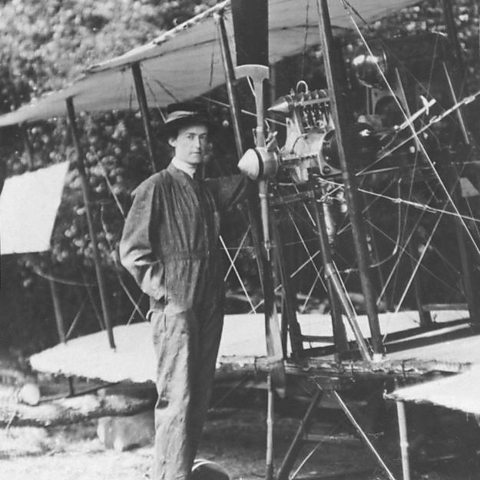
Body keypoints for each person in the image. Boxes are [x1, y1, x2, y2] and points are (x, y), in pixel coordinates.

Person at [119, 102, 249, 480]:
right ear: (173, 141)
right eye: (189, 137)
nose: (197, 144)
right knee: (177, 399)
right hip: (176, 306)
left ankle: (179, 472)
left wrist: (259, 159)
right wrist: (167, 295)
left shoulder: (205, 190)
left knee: (199, 396)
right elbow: (132, 252)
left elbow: (240, 182)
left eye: (203, 138)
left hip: (209, 302)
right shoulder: (155, 187)